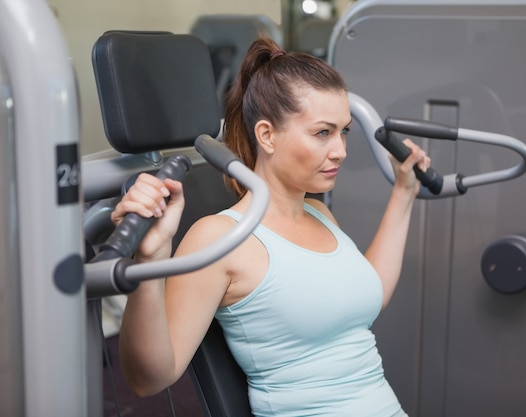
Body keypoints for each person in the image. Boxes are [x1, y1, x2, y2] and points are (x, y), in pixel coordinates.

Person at [113, 36, 430, 417]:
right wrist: (150, 258)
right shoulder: (220, 239)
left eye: (343, 131)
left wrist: (404, 192)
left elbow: (369, 296)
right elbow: (149, 379)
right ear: (267, 135)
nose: (341, 150)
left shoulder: (320, 214)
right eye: (322, 132)